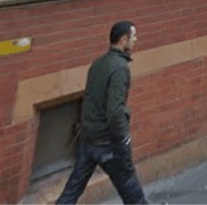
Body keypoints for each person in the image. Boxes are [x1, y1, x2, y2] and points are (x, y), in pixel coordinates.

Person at [57, 21, 148, 205]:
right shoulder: (120, 68)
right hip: (109, 143)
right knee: (132, 192)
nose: (136, 39)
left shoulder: (98, 64)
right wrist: (124, 139)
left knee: (71, 191)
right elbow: (116, 109)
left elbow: (89, 99)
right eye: (134, 36)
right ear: (124, 40)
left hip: (88, 140)